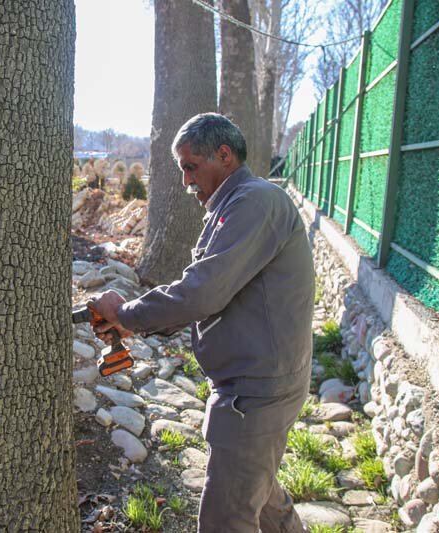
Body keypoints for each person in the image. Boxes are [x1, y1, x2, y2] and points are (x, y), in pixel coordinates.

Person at [88, 113, 314, 533]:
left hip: (256, 391)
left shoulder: (253, 202)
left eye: (191, 167)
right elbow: (212, 294)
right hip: (255, 382)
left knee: (225, 518)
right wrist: (134, 321)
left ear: (224, 155)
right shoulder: (233, 204)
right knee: (260, 495)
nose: (185, 181)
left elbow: (202, 292)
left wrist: (125, 314)